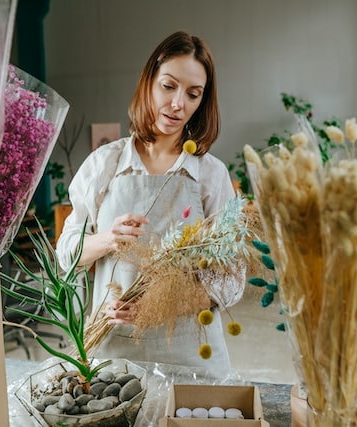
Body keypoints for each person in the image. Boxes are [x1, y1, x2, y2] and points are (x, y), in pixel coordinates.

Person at [56, 30, 244, 369]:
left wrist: (162, 305)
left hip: (190, 360)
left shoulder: (211, 174)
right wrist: (108, 239)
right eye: (168, 86)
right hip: (112, 355)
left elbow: (231, 280)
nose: (177, 104)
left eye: (193, 94)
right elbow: (67, 254)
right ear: (148, 83)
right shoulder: (104, 164)